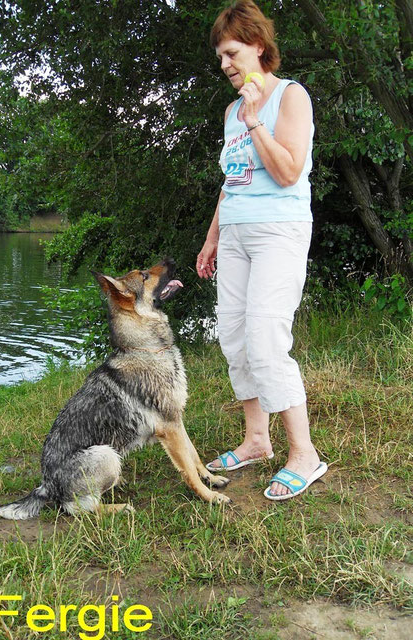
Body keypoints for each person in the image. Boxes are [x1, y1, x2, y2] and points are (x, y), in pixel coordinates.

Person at [196, 0, 327, 500]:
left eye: (231, 53)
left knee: (266, 339)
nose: (225, 65)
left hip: (280, 231)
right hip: (235, 234)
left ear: (257, 45)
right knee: (233, 335)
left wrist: (255, 122)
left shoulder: (290, 97)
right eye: (220, 58)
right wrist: (212, 238)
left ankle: (305, 455)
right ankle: (256, 440)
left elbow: (289, 171)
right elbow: (233, 182)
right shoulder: (231, 110)